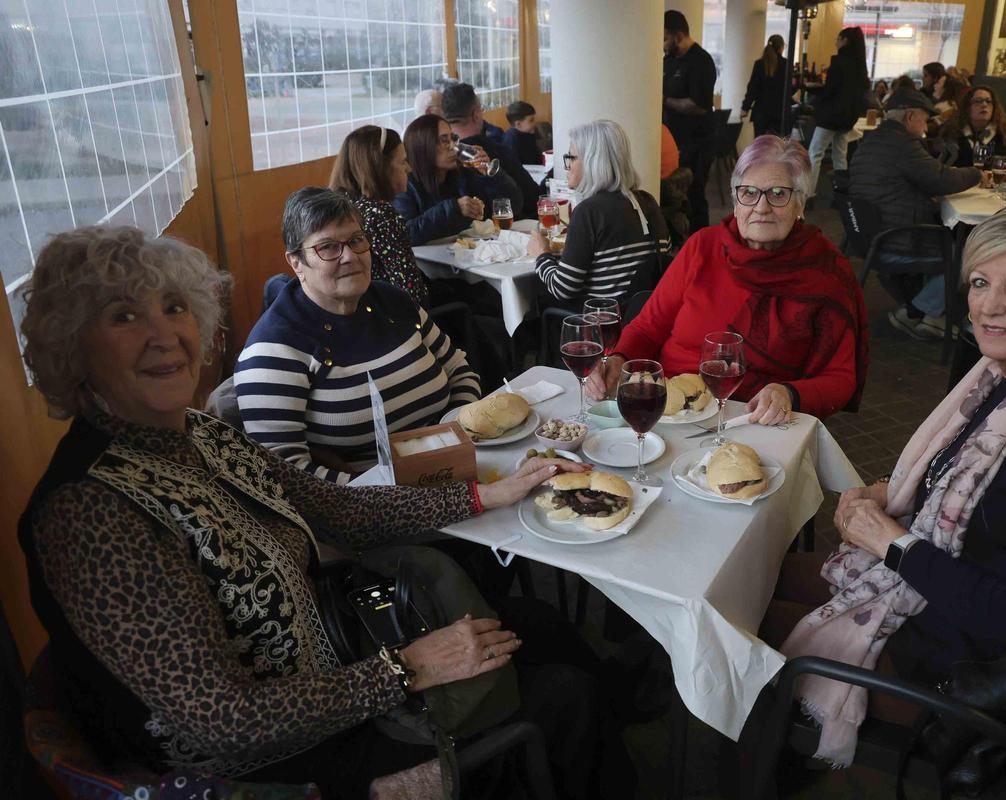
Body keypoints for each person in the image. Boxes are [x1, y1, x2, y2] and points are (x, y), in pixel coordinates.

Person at [17, 224, 621, 799]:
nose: (163, 335)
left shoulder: (201, 434)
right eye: (124, 317)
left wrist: (487, 494)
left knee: (543, 629)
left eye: (174, 307)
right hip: (274, 758)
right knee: (561, 695)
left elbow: (342, 512)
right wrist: (406, 668)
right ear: (74, 346)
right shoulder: (89, 512)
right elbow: (224, 721)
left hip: (337, 651)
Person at [761, 197, 1006, 766]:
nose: (988, 308)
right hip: (940, 604)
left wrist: (889, 541)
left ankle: (764, 760)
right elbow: (976, 496)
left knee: (738, 629)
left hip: (972, 672)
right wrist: (891, 494)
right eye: (979, 282)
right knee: (755, 577)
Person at [586, 135, 869, 421]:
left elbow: (841, 378)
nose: (761, 207)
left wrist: (789, 393)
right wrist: (619, 359)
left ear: (800, 203)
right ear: (735, 202)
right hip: (668, 411)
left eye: (778, 193)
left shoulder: (825, 272)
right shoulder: (703, 246)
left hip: (753, 418)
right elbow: (649, 328)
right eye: (749, 192)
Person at [237, 188, 481, 485]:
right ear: (296, 262)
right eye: (327, 247)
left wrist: (459, 435)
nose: (350, 256)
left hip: (453, 471)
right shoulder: (274, 350)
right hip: (365, 507)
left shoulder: (393, 302)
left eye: (355, 240)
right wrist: (390, 492)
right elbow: (285, 474)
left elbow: (459, 370)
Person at [850, 87, 989, 340]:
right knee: (967, 253)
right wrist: (976, 173)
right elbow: (941, 179)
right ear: (909, 117)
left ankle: (927, 313)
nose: (925, 125)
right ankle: (917, 311)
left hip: (872, 234)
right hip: (897, 237)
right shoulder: (902, 144)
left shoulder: (874, 140)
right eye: (924, 119)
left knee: (951, 234)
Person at [526, 120, 670, 305]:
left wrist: (541, 255)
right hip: (643, 316)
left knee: (530, 317)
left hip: (601, 321)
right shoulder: (647, 201)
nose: (566, 166)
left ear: (593, 162)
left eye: (571, 157)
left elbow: (563, 289)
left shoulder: (589, 212)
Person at [327, 124, 431, 309]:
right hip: (393, 323)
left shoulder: (339, 210)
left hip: (355, 318)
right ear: (380, 167)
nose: (408, 168)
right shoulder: (381, 216)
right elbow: (413, 294)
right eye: (402, 162)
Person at [393, 113, 519, 245]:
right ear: (422, 146)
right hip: (428, 262)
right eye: (444, 140)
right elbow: (404, 234)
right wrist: (453, 209)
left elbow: (513, 206)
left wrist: (490, 175)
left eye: (453, 139)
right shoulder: (406, 183)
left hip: (467, 255)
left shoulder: (463, 172)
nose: (453, 146)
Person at [442, 82, 540, 219]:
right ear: (476, 115)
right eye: (481, 109)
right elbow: (532, 197)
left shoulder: (438, 156)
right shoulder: (495, 151)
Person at [662, 9, 717, 233]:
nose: (663, 44)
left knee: (694, 195)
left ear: (678, 35)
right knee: (674, 198)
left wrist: (664, 100)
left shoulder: (701, 61)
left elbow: (698, 106)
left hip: (698, 141)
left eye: (665, 38)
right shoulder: (670, 61)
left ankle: (701, 241)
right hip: (674, 140)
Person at [806, 27, 870, 199]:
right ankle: (841, 192)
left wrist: (814, 92)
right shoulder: (860, 64)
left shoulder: (839, 61)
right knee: (840, 153)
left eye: (838, 39)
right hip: (848, 117)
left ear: (845, 41)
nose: (836, 42)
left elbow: (831, 90)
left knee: (815, 152)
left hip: (831, 116)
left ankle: (808, 192)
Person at [939, 85, 1006, 167]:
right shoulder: (953, 133)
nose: (984, 105)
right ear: (967, 107)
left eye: (988, 101)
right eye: (978, 101)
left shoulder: (1004, 136)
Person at [740, 34, 788, 137]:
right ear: (781, 48)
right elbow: (790, 88)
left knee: (760, 146)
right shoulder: (786, 64)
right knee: (779, 145)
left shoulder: (759, 64)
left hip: (761, 113)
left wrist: (745, 107)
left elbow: (753, 88)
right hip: (780, 113)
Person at [503, 100, 544, 165]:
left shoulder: (529, 132)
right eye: (531, 120)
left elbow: (537, 158)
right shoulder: (511, 138)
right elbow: (514, 165)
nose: (535, 123)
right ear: (518, 124)